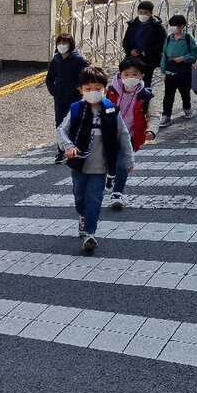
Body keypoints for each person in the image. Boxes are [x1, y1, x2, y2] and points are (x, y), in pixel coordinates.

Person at [56, 67, 135, 251]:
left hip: (101, 166)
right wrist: (68, 146)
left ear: (105, 89)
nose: (93, 92)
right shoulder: (76, 109)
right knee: (80, 196)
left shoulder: (111, 110)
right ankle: (83, 216)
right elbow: (61, 130)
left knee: (95, 198)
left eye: (97, 88)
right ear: (80, 90)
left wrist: (128, 160)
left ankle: (90, 233)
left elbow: (123, 136)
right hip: (79, 165)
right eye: (88, 88)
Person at [105, 58, 160, 209]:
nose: (130, 77)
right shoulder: (110, 91)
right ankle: (110, 175)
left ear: (142, 76)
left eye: (134, 74)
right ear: (120, 75)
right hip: (109, 135)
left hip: (129, 136)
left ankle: (117, 194)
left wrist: (151, 130)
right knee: (111, 163)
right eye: (126, 74)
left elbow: (154, 116)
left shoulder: (146, 96)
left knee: (123, 163)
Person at [45, 33, 88, 164]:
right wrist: (54, 91)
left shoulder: (78, 60)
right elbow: (49, 78)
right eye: (59, 43)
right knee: (60, 125)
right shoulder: (56, 60)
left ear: (70, 45)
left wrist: (81, 91)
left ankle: (75, 148)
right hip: (59, 98)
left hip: (74, 98)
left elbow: (87, 75)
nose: (61, 46)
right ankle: (61, 152)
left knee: (73, 123)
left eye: (64, 43)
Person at [159, 14, 197, 126]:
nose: (172, 27)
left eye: (175, 25)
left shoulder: (187, 38)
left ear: (182, 26)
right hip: (170, 70)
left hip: (184, 71)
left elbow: (196, 53)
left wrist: (183, 58)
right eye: (171, 25)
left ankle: (187, 108)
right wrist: (163, 71)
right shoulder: (169, 38)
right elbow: (164, 55)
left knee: (185, 92)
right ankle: (166, 115)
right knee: (168, 95)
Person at [122, 0, 167, 88]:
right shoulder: (133, 25)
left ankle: (145, 99)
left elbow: (163, 43)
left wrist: (148, 52)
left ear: (151, 13)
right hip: (133, 57)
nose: (143, 15)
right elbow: (126, 40)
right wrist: (130, 50)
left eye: (145, 12)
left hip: (149, 58)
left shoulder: (157, 27)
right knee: (130, 79)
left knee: (146, 81)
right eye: (140, 12)